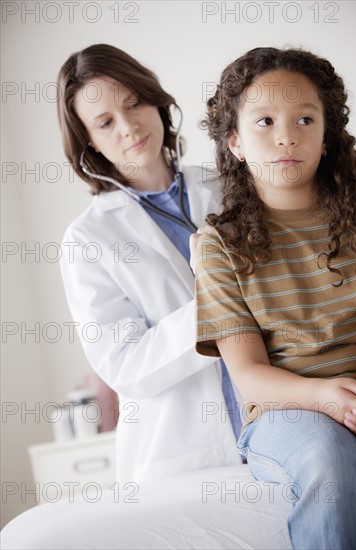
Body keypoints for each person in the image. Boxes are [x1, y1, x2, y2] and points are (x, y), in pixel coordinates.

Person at [193, 47, 356, 549]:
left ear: (326, 134)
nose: (287, 135)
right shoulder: (219, 247)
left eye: (305, 119)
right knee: (330, 465)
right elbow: (248, 377)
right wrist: (328, 399)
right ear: (236, 142)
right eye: (264, 121)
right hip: (289, 409)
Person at [57, 44, 243, 485]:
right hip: (185, 457)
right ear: (89, 142)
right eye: (105, 122)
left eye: (133, 103)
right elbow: (125, 366)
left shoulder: (231, 185)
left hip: (272, 425)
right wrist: (218, 305)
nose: (128, 126)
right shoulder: (88, 239)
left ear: (156, 101)